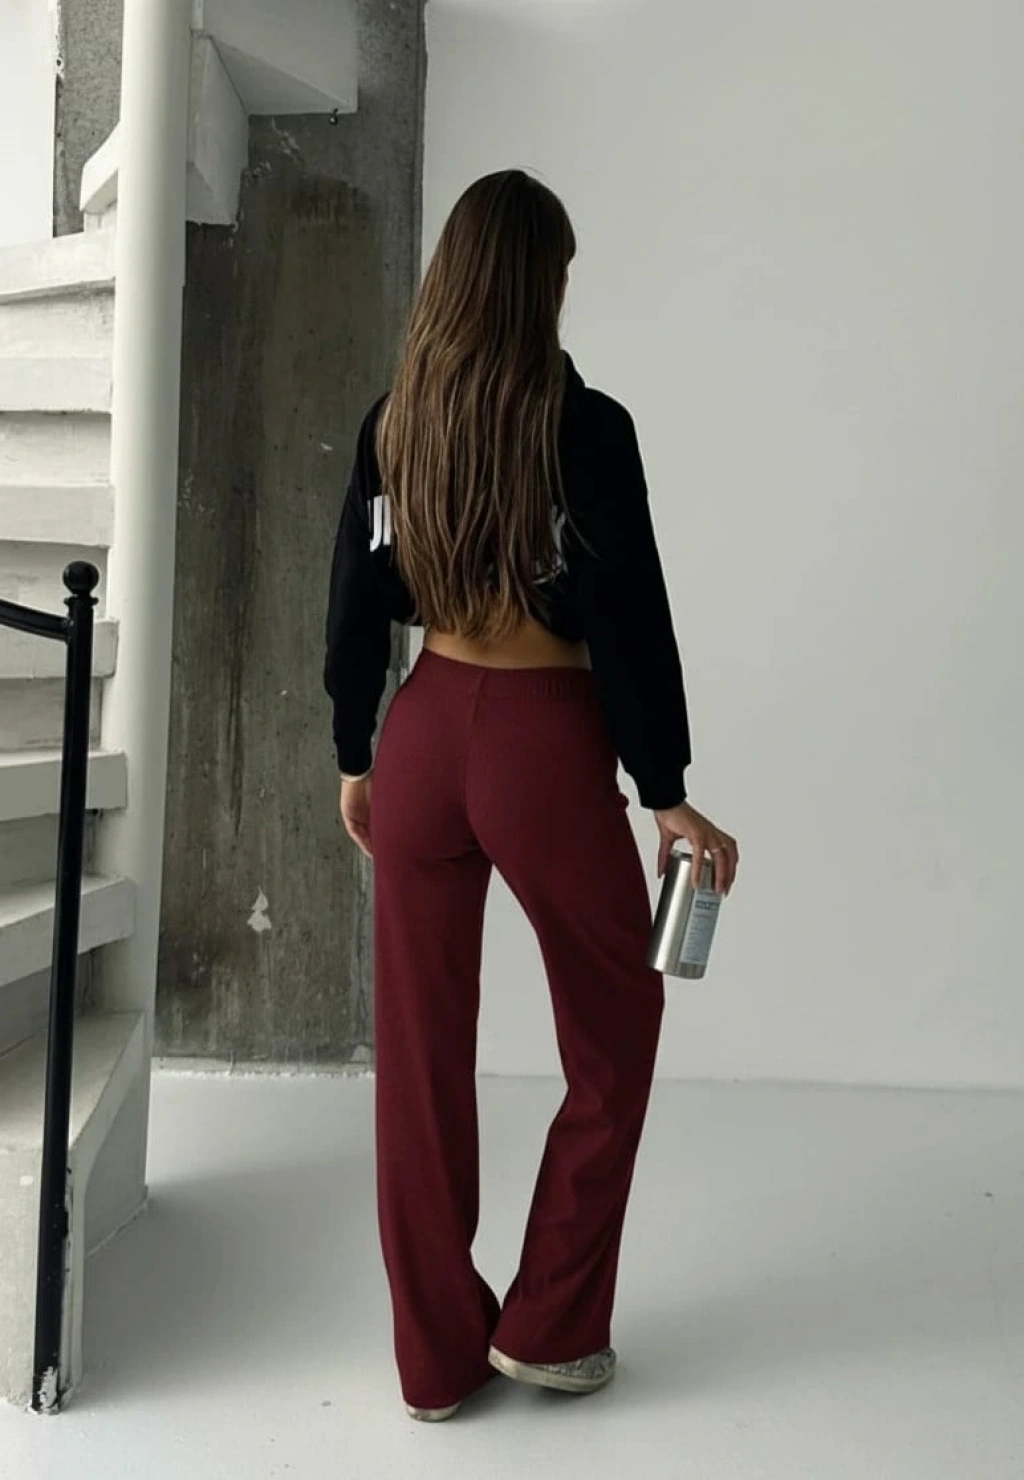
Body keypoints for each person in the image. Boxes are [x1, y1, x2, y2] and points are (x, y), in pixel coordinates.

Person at [324, 169, 739, 1424]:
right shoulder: (588, 427)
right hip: (541, 746)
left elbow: (355, 603)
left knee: (416, 1059)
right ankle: (550, 1325)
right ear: (537, 283)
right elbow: (629, 617)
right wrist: (666, 792)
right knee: (615, 1024)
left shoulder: (396, 422)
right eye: (559, 273)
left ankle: (434, 1361)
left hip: (421, 737)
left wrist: (358, 756)